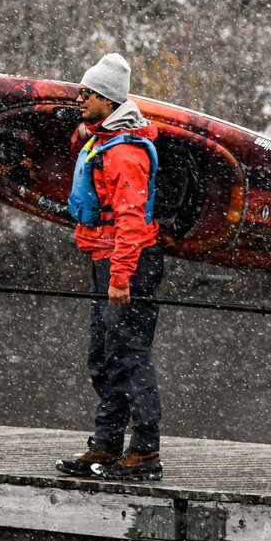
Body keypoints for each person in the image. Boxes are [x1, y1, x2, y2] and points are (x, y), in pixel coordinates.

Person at [55, 52, 165, 482]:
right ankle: (105, 445)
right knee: (102, 357)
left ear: (108, 99)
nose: (79, 98)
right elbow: (84, 154)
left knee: (128, 357)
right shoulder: (100, 139)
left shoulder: (125, 155)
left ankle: (145, 452)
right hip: (106, 260)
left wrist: (121, 278)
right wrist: (86, 129)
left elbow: (131, 222)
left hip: (129, 264)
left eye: (87, 94)